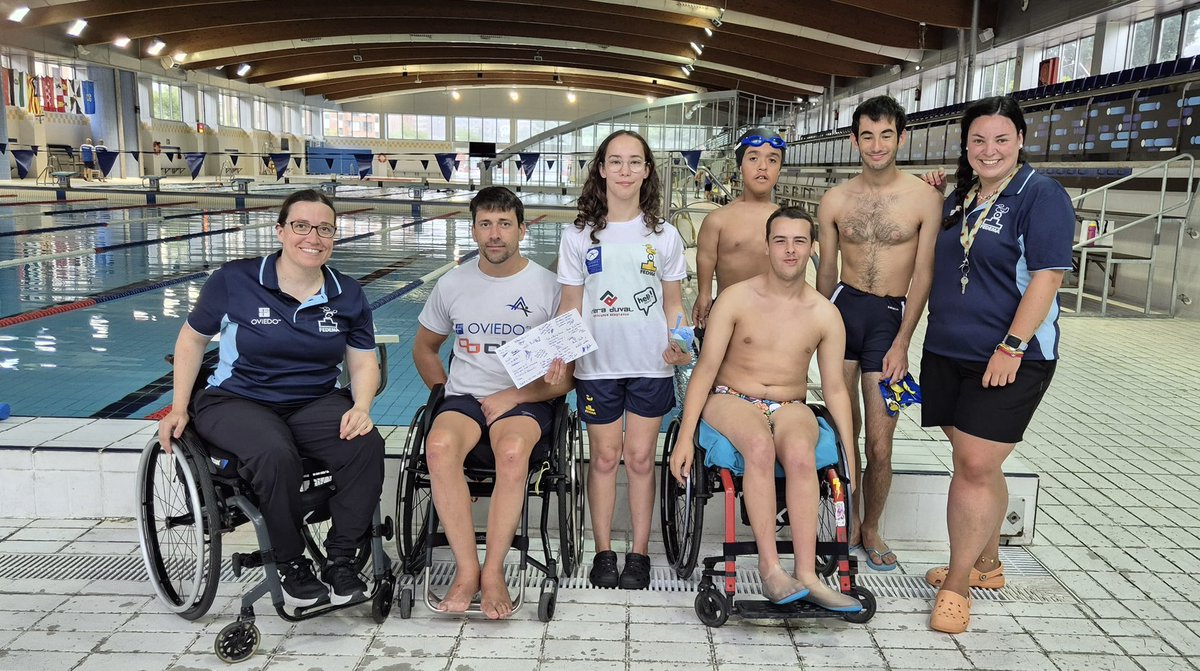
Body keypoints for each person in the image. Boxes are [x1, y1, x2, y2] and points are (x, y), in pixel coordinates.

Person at [157, 189, 384, 609]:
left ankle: (340, 559)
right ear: (280, 230)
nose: (312, 237)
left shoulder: (347, 293)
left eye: (324, 229)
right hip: (237, 400)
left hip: (312, 401)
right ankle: (290, 559)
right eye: (301, 226)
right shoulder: (236, 279)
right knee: (275, 453)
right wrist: (179, 406)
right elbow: (191, 339)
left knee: (366, 445)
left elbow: (363, 362)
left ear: (334, 236)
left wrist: (361, 407)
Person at [919, 96, 1074, 634]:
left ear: (1021, 141)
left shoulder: (1041, 196)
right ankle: (987, 564)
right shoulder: (961, 197)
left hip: (1008, 356)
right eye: (979, 140)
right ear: (966, 145)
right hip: (947, 350)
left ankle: (957, 584)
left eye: (1001, 139)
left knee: (975, 466)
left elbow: (1047, 277)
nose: (989, 150)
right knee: (976, 461)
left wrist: (1011, 346)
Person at [669, 206, 859, 610]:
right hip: (731, 397)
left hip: (790, 402)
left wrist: (850, 453)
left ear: (813, 248)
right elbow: (704, 371)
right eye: (781, 241)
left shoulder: (825, 313)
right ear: (767, 246)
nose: (790, 250)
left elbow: (836, 390)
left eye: (799, 242)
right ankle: (771, 570)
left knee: (800, 455)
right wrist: (684, 438)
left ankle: (807, 574)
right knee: (758, 445)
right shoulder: (737, 299)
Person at [413, 186, 572, 619]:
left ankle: (494, 571)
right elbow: (425, 349)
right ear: (474, 230)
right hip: (465, 398)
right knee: (440, 446)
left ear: (523, 229)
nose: (495, 234)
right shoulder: (452, 283)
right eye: (486, 224)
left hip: (525, 403)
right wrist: (443, 393)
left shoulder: (549, 287)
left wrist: (513, 396)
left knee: (513, 450)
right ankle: (467, 572)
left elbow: (565, 380)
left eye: (504, 224)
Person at [557, 129, 691, 589]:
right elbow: (571, 304)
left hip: (651, 362)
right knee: (604, 459)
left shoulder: (664, 235)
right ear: (601, 169)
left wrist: (681, 341)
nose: (625, 171)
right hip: (597, 366)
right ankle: (603, 552)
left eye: (635, 162)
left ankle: (638, 552)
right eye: (616, 161)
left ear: (647, 171)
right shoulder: (577, 236)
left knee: (638, 459)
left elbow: (674, 301)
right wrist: (563, 353)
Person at [815, 96, 943, 571]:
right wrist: (816, 331)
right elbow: (825, 272)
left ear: (901, 137)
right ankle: (841, 520)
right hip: (842, 312)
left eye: (885, 134)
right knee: (842, 434)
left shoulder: (924, 198)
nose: (876, 145)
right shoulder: (835, 199)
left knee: (880, 444)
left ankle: (872, 527)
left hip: (889, 319)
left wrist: (903, 341)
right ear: (854, 139)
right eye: (867, 135)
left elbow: (924, 275)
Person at [692, 128, 786, 330]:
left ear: (779, 169)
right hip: (728, 316)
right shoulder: (718, 220)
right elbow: (706, 257)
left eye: (772, 160)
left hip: (774, 317)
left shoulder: (787, 222)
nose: (762, 167)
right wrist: (704, 293)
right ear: (740, 167)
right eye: (753, 158)